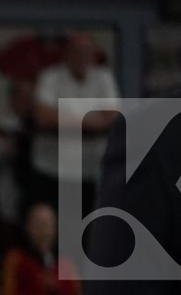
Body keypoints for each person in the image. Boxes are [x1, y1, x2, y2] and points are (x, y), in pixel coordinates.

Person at [29, 32, 120, 217]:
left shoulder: (103, 77)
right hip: (52, 167)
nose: (82, 57)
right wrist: (90, 122)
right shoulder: (50, 77)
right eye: (77, 52)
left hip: (91, 169)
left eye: (87, 52)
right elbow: (43, 117)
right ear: (66, 54)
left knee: (90, 228)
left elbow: (112, 116)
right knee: (53, 226)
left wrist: (64, 119)